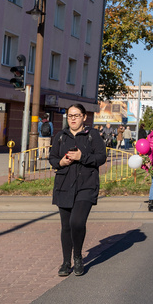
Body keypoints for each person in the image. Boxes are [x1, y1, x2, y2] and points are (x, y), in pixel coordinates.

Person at [49, 103, 107, 277]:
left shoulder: (92, 135)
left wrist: (83, 157)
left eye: (76, 115)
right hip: (64, 185)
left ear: (84, 117)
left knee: (77, 223)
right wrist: (61, 162)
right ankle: (66, 262)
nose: (72, 119)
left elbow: (101, 157)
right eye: (70, 116)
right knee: (66, 226)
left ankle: (78, 257)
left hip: (86, 185)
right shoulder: (61, 136)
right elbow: (52, 158)